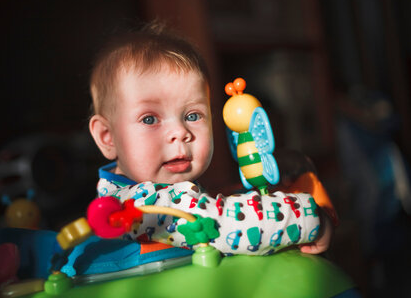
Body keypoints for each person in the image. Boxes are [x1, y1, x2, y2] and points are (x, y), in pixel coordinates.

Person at [88, 23, 332, 255]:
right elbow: (225, 224)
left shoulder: (132, 190)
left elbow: (203, 204)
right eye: (149, 119)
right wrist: (309, 216)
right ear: (107, 137)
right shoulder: (137, 206)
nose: (180, 132)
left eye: (193, 115)